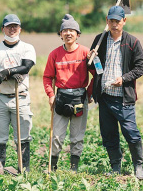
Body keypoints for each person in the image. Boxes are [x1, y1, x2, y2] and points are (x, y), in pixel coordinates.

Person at [87, 6, 143, 179]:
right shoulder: (100, 40)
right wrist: (90, 58)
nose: (114, 24)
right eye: (111, 21)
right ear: (107, 21)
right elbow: (92, 67)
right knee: (109, 134)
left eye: (117, 21)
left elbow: (141, 67)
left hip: (123, 97)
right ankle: (115, 167)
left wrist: (124, 78)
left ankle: (138, 166)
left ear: (124, 21)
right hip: (105, 96)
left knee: (131, 132)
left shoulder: (132, 42)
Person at [0, 14, 36, 174]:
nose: (12, 29)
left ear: (20, 28)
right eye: (9, 26)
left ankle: (24, 167)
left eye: (15, 26)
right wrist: (13, 73)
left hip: (20, 96)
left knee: (23, 133)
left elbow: (26, 67)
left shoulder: (27, 48)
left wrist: (6, 72)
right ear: (3, 29)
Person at [43, 14, 93, 173]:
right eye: (65, 30)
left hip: (80, 97)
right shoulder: (55, 54)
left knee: (77, 136)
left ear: (78, 34)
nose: (68, 33)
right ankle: (53, 167)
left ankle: (74, 169)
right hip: (61, 97)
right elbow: (47, 77)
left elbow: (97, 74)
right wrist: (51, 95)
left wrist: (89, 93)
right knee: (57, 136)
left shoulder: (86, 53)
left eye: (72, 30)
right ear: (60, 34)